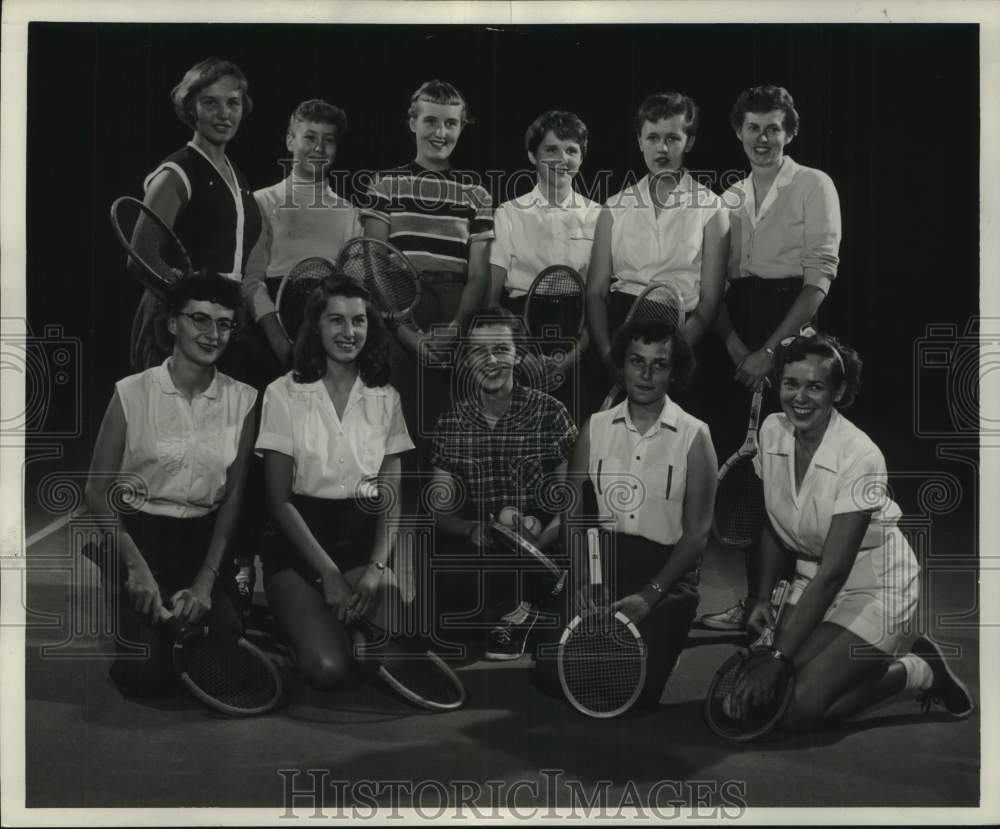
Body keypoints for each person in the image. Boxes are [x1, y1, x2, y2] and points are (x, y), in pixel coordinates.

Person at [724, 330, 973, 728]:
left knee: (798, 707)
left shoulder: (861, 455)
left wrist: (775, 657)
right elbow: (772, 524)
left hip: (875, 588)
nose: (800, 398)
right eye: (790, 384)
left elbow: (835, 571)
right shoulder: (772, 431)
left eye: (815, 387)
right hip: (812, 580)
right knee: (759, 703)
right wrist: (760, 597)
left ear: (837, 392)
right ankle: (853, 666)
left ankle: (918, 670)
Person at [702, 85, 842, 631]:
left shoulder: (814, 185)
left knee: (787, 472)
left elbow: (818, 280)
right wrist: (736, 345)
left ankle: (789, 604)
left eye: (774, 128)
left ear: (791, 133)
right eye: (753, 127)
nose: (763, 138)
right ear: (739, 132)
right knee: (749, 475)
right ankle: (755, 603)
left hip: (791, 330)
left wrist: (770, 351)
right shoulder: (729, 198)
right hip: (735, 330)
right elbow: (712, 283)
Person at [84, 274, 256, 697]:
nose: (212, 334)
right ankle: (123, 592)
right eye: (199, 318)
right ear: (172, 324)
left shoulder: (245, 399)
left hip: (201, 540)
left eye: (224, 323)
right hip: (138, 539)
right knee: (147, 680)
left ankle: (205, 613)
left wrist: (204, 581)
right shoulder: (131, 392)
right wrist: (136, 568)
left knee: (228, 660)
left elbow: (233, 496)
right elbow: (95, 490)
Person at [536, 317, 716, 707]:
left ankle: (666, 642)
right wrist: (583, 578)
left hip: (663, 575)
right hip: (602, 563)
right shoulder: (595, 427)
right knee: (554, 675)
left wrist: (649, 597)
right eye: (637, 361)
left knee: (627, 690)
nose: (647, 374)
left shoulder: (695, 435)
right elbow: (574, 513)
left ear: (674, 371)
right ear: (622, 365)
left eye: (659, 364)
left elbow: (698, 534)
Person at [255, 275, 414, 689]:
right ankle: (289, 629)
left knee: (390, 662)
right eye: (336, 321)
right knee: (328, 671)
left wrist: (377, 568)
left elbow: (391, 497)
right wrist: (327, 574)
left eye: (358, 321)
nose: (349, 332)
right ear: (316, 325)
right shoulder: (282, 393)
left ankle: (334, 626)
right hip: (299, 549)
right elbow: (277, 501)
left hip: (360, 547)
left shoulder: (387, 397)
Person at [427, 307, 578, 659]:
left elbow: (573, 503)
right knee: (445, 621)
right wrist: (471, 529)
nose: (490, 360)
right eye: (479, 351)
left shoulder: (551, 412)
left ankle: (523, 611)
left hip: (545, 544)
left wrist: (542, 540)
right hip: (487, 543)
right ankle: (512, 612)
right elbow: (440, 514)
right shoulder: (451, 423)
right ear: (465, 360)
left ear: (518, 353)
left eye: (501, 349)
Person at [361, 79, 494, 454]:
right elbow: (373, 265)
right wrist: (408, 335)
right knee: (397, 439)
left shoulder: (476, 194)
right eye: (431, 121)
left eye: (451, 124)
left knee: (450, 440)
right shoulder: (385, 184)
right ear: (412, 123)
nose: (441, 132)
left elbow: (479, 274)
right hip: (398, 312)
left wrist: (455, 328)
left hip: (455, 315)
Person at [586, 91, 728, 411]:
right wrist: (612, 356)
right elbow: (595, 293)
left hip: (682, 337)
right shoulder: (614, 207)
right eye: (652, 137)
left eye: (672, 138)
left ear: (688, 142)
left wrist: (671, 356)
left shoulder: (712, 208)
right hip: (622, 331)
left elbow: (710, 301)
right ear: (639, 140)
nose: (661, 148)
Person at [130, 58, 265, 377]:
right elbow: (141, 256)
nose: (224, 114)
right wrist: (189, 300)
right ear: (191, 108)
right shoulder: (178, 171)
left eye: (233, 103)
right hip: (178, 325)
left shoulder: (237, 177)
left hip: (223, 324)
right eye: (210, 103)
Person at [489, 110, 601, 420]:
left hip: (578, 339)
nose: (561, 159)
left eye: (571, 150)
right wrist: (521, 355)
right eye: (550, 149)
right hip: (521, 336)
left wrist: (574, 355)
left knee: (574, 438)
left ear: (581, 157)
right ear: (532, 155)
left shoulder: (599, 216)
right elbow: (491, 298)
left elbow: (598, 297)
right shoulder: (508, 213)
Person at [250, 99, 362, 371]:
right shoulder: (261, 202)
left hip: (327, 333)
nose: (319, 149)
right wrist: (278, 341)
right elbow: (252, 280)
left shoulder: (350, 213)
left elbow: (355, 288)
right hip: (269, 334)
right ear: (290, 140)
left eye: (329, 140)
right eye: (310, 137)